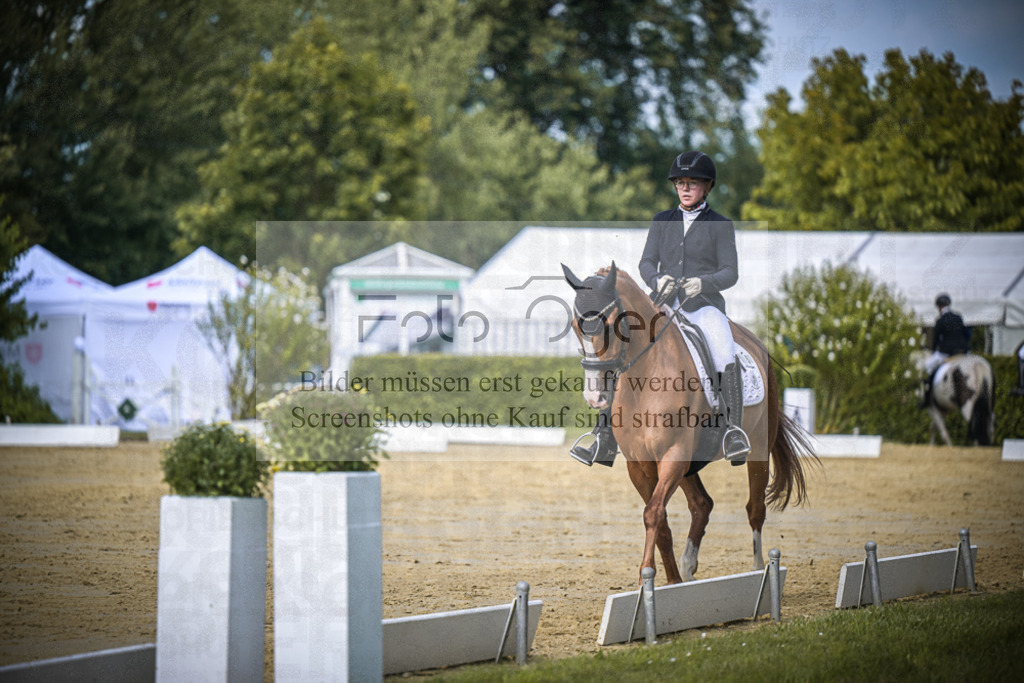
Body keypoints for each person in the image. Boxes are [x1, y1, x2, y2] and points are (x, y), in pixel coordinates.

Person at [569, 150, 751, 467]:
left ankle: (732, 431)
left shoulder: (720, 225)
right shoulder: (662, 221)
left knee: (723, 350)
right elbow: (646, 263)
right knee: (620, 350)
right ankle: (604, 435)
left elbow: (730, 272)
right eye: (680, 182)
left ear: (707, 186)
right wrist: (657, 278)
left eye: (692, 183)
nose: (685, 188)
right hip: (661, 304)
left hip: (703, 306)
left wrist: (703, 283)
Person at [921, 293, 971, 407]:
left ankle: (927, 397)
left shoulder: (940, 320)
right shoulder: (958, 317)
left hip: (947, 352)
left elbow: (935, 339)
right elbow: (966, 334)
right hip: (963, 351)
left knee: (928, 367)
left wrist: (933, 351)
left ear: (939, 307)